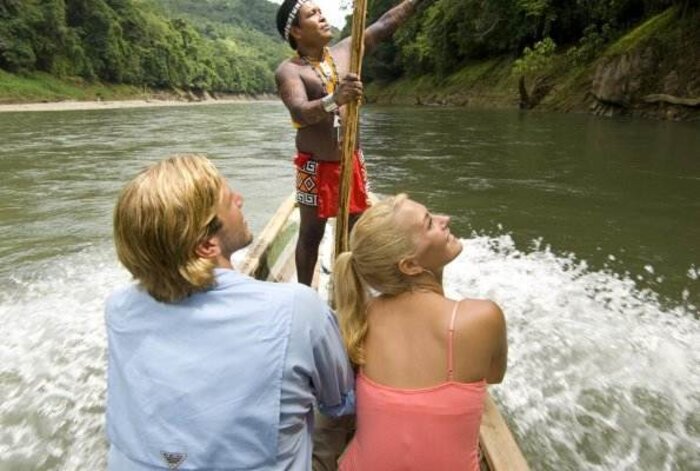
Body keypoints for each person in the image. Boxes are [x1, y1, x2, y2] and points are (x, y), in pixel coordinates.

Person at [105, 154, 355, 470]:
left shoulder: (118, 307)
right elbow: (338, 403)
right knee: (341, 414)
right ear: (207, 246)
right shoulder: (298, 308)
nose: (240, 199)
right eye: (229, 200)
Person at [333, 194, 508, 470]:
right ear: (410, 265)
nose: (445, 220)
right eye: (430, 224)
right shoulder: (483, 318)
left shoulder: (359, 317)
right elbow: (494, 375)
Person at [275, 0, 429, 286]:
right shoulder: (290, 70)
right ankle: (304, 295)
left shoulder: (346, 50)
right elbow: (299, 111)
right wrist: (335, 98)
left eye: (321, 11)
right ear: (296, 31)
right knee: (311, 234)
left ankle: (350, 287)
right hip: (314, 165)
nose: (322, 17)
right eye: (312, 15)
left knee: (357, 229)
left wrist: (415, 2)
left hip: (351, 160)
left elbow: (384, 25)